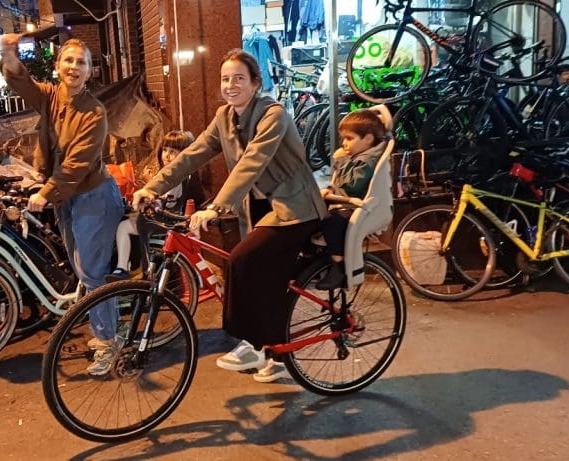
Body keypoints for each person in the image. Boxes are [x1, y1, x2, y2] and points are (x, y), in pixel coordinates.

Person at [133, 49, 327, 383]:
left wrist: (216, 207)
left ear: (255, 82)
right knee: (269, 281)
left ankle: (252, 343)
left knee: (241, 260)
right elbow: (192, 155)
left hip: (296, 208)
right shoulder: (225, 118)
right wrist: (153, 186)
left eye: (239, 78)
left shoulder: (273, 114)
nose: (230, 85)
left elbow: (253, 161)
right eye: (225, 79)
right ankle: (277, 354)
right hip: (260, 207)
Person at [0, 34, 125, 375]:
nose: (73, 67)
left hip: (93, 197)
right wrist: (8, 51)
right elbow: (20, 81)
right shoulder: (50, 97)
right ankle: (109, 327)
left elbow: (76, 165)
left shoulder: (93, 112)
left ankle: (109, 342)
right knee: (83, 268)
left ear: (89, 71)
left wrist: (45, 192)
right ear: (57, 67)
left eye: (80, 62)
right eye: (68, 61)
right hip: (66, 196)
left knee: (91, 273)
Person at [106, 130, 202, 282]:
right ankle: (124, 267)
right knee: (125, 224)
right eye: (165, 150)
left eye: (173, 151)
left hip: (165, 220)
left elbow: (164, 199)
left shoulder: (176, 176)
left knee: (131, 226)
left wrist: (148, 202)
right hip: (160, 217)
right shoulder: (166, 174)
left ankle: (138, 270)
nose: (167, 155)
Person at [315, 108, 391, 290]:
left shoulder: (367, 161)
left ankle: (339, 266)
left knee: (332, 223)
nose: (344, 144)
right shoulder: (359, 156)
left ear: (368, 139)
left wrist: (340, 161)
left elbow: (352, 185)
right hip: (345, 202)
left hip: (355, 207)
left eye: (349, 138)